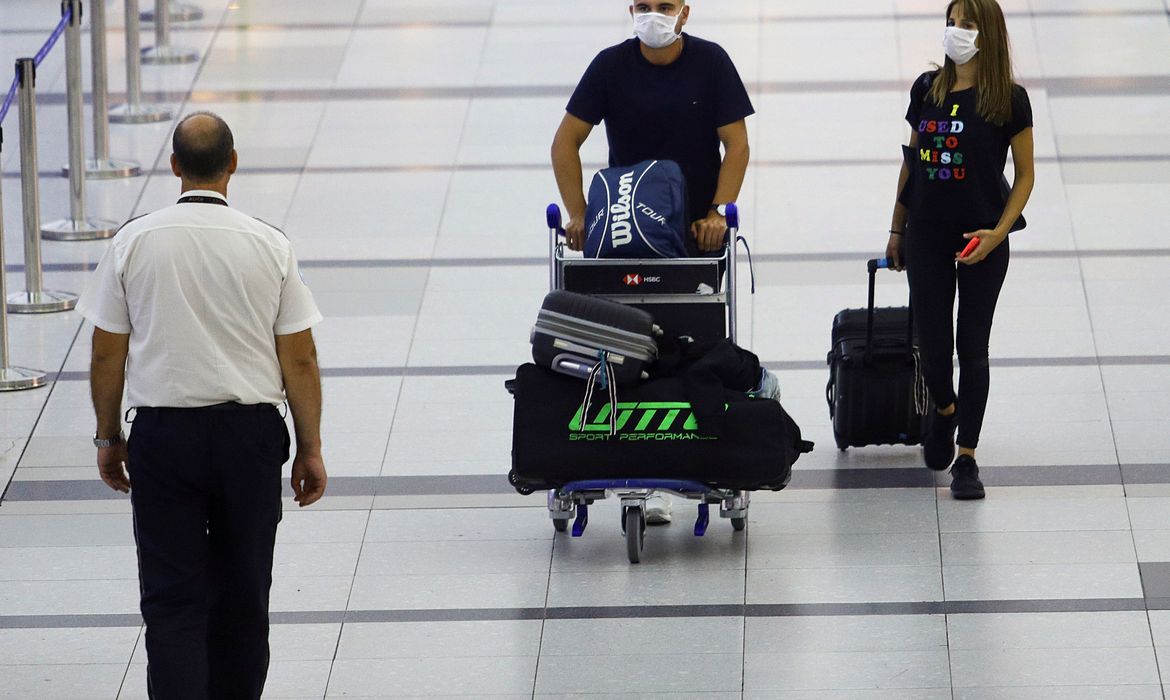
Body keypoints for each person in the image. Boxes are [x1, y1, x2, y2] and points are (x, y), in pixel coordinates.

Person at [76, 112, 327, 699]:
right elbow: (301, 359)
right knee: (244, 596)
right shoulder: (269, 244)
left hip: (163, 440)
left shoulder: (133, 241)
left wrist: (108, 437)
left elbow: (106, 354)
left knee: (172, 601)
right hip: (250, 438)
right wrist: (310, 448)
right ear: (233, 164)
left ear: (174, 167)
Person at [550, 0, 755, 524]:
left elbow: (736, 145)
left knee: (689, 345)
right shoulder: (611, 65)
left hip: (695, 238)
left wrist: (716, 211)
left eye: (664, 6)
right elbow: (566, 142)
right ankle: (639, 461)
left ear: (685, 13)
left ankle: (686, 453)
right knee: (631, 346)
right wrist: (579, 214)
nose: (653, 15)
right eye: (643, 6)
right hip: (627, 233)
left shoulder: (711, 63)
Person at [885, 0, 1034, 500]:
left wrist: (999, 231)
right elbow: (911, 162)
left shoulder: (1009, 99)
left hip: (982, 236)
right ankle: (943, 409)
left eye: (966, 24)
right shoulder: (927, 89)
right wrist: (897, 228)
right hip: (927, 230)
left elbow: (1026, 175)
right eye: (951, 23)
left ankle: (966, 458)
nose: (955, 32)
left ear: (986, 33)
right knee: (931, 341)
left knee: (972, 347)